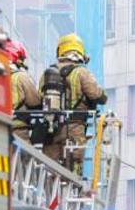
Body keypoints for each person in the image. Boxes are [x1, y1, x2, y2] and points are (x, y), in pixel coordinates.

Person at [40, 33, 106, 171]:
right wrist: (102, 96)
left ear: (61, 50)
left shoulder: (47, 73)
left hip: (51, 131)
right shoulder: (81, 72)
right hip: (75, 129)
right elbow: (96, 94)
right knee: (73, 169)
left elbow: (38, 98)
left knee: (50, 170)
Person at [6, 40, 40, 144]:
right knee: (24, 158)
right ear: (17, 58)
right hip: (18, 129)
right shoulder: (20, 76)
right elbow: (34, 102)